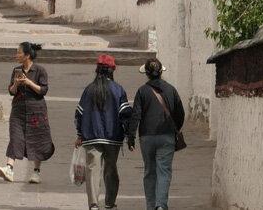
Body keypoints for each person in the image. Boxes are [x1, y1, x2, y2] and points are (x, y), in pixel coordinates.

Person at [74, 54, 132, 210]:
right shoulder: (118, 89)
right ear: (111, 71)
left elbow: (79, 114)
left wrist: (80, 134)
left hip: (91, 136)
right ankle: (110, 202)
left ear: (97, 70)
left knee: (92, 169)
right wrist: (128, 135)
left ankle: (93, 204)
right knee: (111, 169)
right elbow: (125, 114)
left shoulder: (89, 90)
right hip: (113, 138)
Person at [127, 59, 185, 210]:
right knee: (164, 171)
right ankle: (161, 205)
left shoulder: (142, 91)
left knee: (149, 171)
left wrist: (131, 136)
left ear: (146, 74)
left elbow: (136, 115)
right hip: (167, 136)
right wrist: (175, 129)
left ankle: (150, 206)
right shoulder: (171, 89)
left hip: (146, 137)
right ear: (161, 72)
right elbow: (180, 113)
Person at [0, 42, 55, 184]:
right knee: (15, 137)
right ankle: (9, 168)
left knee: (37, 140)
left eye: (19, 52)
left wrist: (28, 82)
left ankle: (36, 172)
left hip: (36, 111)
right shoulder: (16, 70)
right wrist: (16, 83)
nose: (16, 55)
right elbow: (11, 91)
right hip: (18, 110)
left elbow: (43, 90)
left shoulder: (40, 70)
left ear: (27, 55)